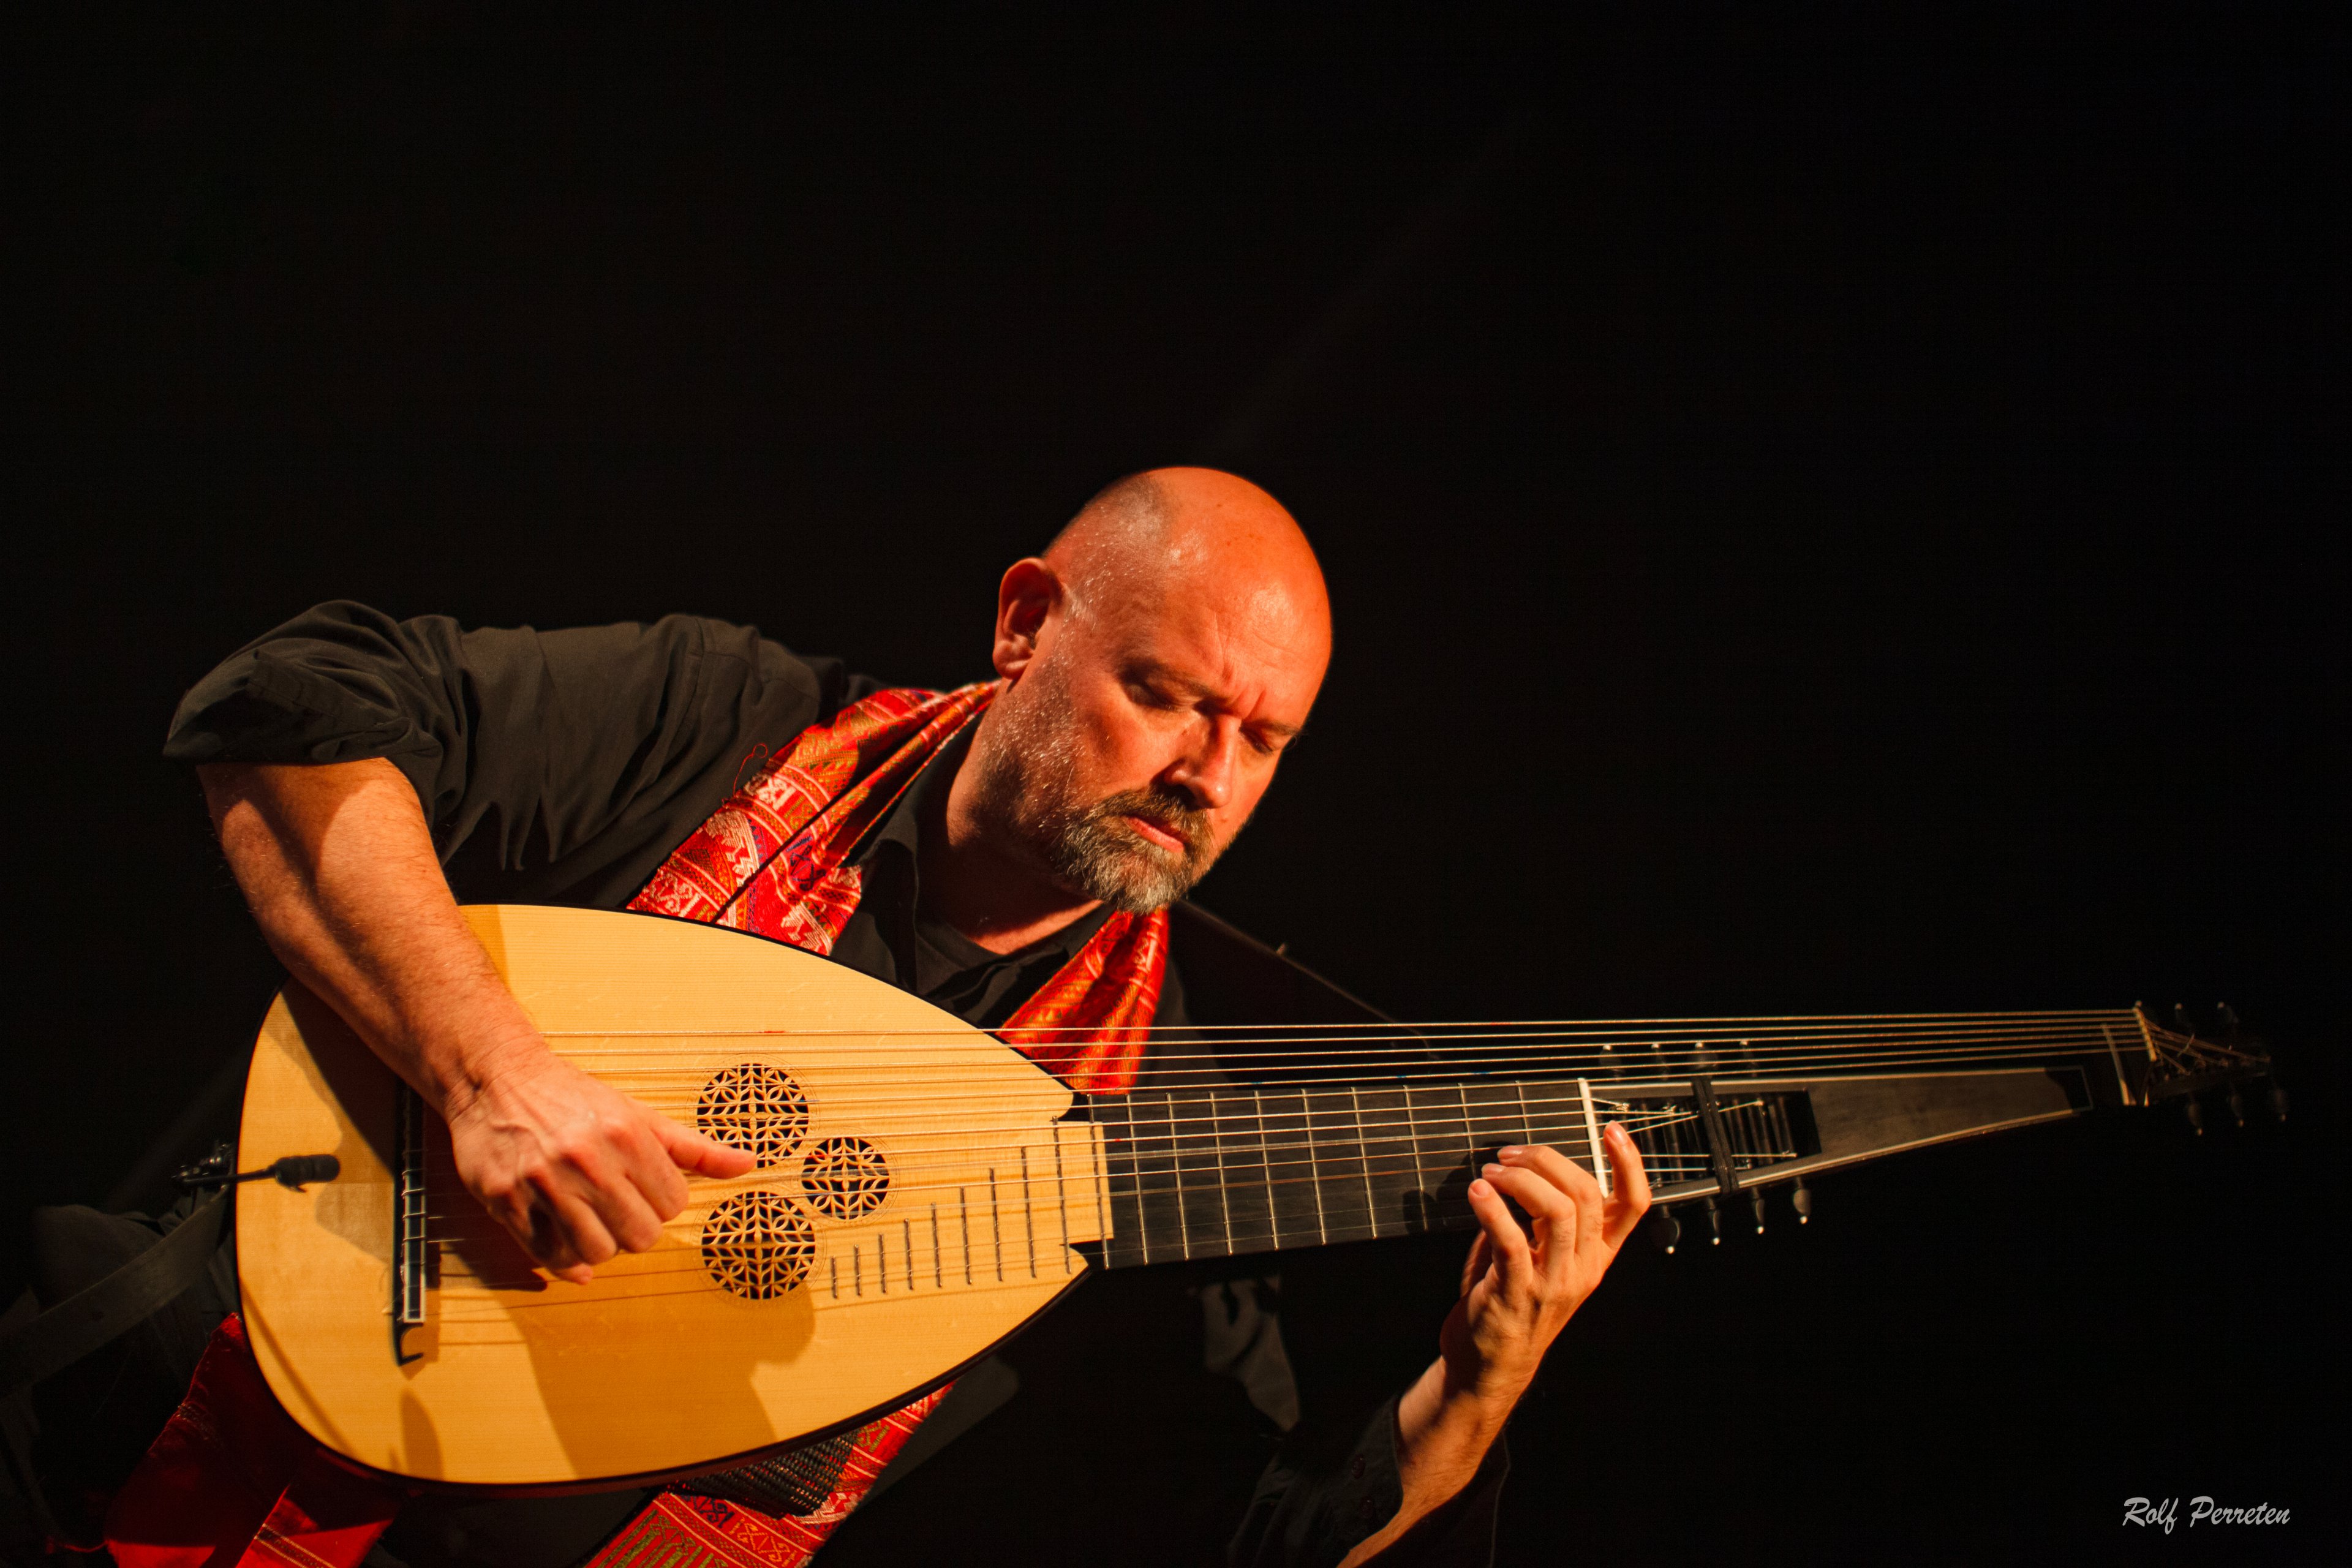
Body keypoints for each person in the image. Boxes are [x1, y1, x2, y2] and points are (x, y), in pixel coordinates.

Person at [157, 467, 1650, 1567]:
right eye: (1166, 695)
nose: (1209, 776)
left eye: (1264, 740)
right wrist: (491, 1069)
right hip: (196, 1399)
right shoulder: (734, 727)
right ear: (1024, 623)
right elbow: (293, 705)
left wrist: (1476, 1390)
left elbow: (1246, 1538)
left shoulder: (1165, 1096)